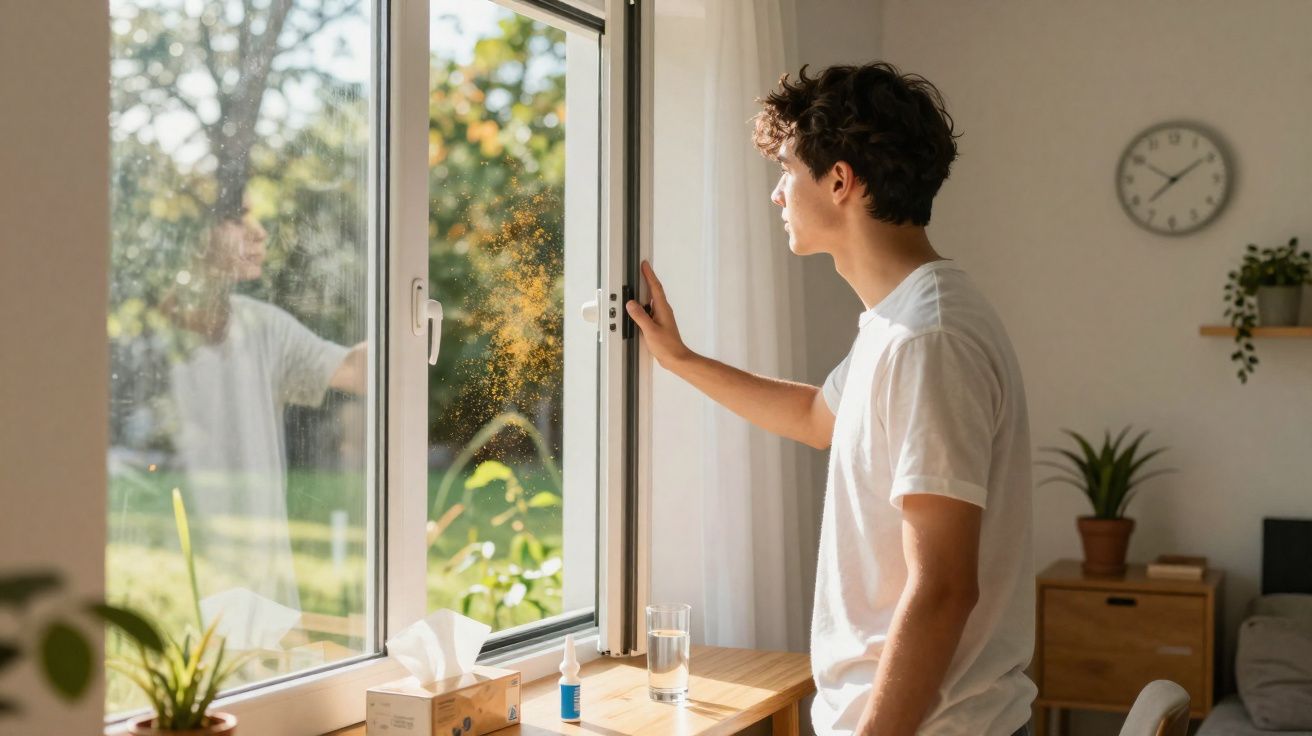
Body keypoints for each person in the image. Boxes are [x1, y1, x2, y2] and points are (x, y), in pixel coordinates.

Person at [626, 62, 1035, 736]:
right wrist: (680, 360)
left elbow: (944, 588)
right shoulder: (900, 321)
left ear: (840, 180)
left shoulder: (928, 340)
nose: (778, 195)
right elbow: (820, 418)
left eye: (787, 170)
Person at [164, 202, 366, 623]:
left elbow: (356, 371)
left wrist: (411, 318)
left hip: (254, 585)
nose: (260, 234)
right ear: (196, 231)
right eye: (239, 218)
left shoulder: (262, 326)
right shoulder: (137, 328)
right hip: (163, 581)